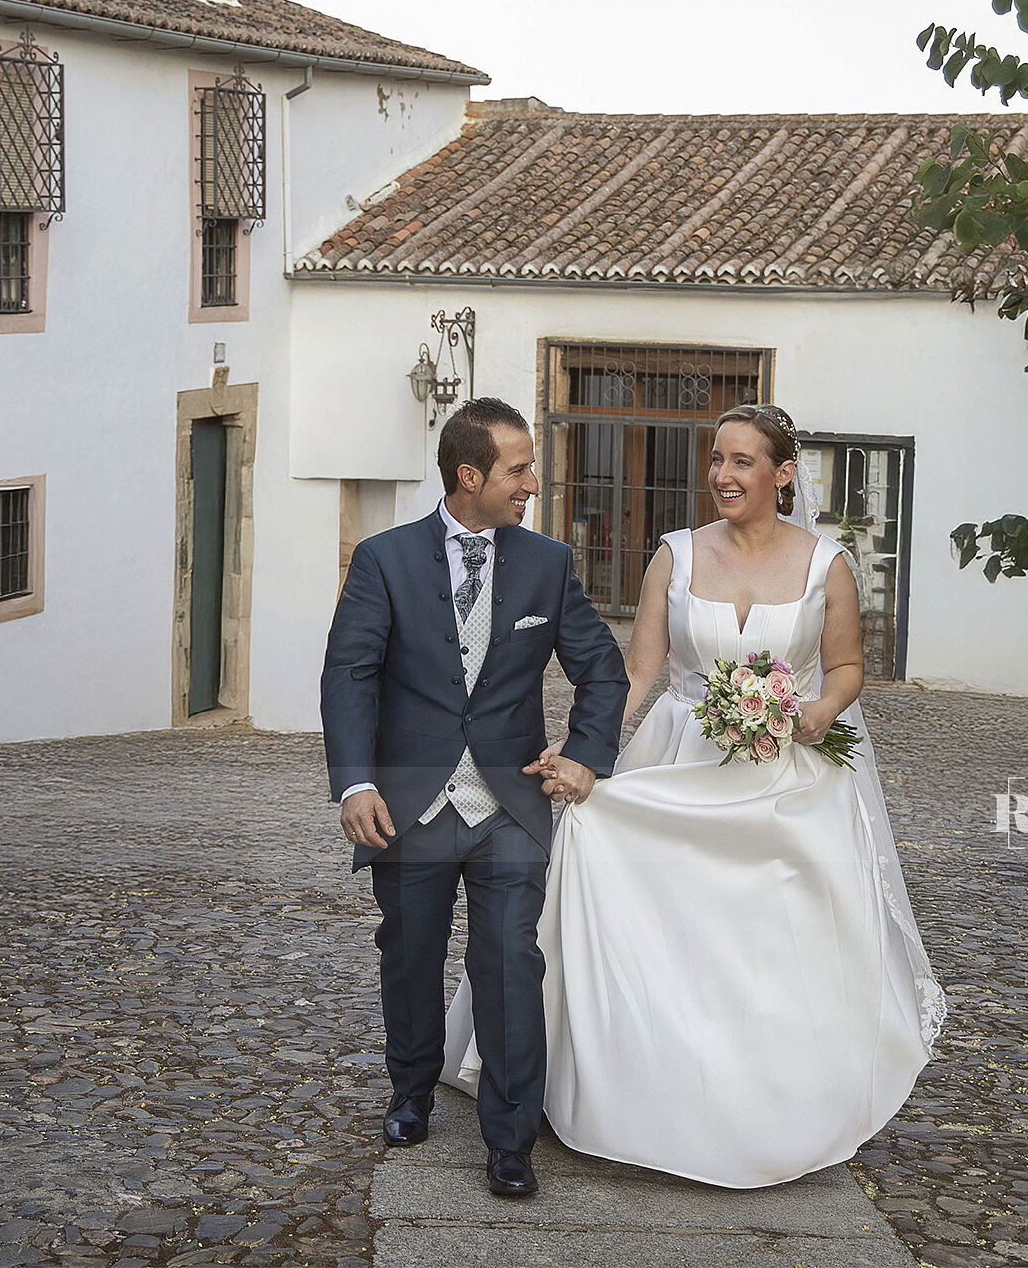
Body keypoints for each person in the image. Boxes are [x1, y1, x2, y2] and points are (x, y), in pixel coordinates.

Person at [441, 402, 945, 1187]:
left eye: (743, 461)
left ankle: (770, 1103)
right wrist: (587, 755)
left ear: (782, 474)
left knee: (770, 946)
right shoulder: (674, 554)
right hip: (678, 760)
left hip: (785, 778)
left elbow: (846, 666)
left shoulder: (826, 564)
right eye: (717, 459)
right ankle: (646, 1091)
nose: (723, 475)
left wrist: (814, 709)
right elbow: (637, 671)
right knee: (655, 915)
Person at [321, 398, 627, 1198]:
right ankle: (411, 1090)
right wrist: (355, 781)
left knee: (509, 967)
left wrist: (586, 757)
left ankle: (510, 1137)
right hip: (409, 801)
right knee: (410, 956)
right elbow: (348, 674)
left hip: (511, 805)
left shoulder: (546, 562)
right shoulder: (383, 560)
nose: (534, 481)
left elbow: (604, 671)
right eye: (519, 468)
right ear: (469, 474)